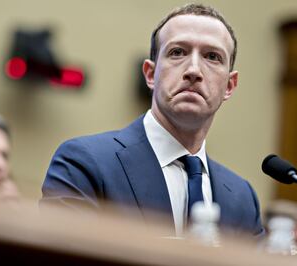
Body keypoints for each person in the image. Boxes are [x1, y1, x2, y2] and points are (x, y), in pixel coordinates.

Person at [42, 3, 263, 237]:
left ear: (229, 86)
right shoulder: (84, 163)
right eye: (178, 52)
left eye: (212, 56)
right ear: (150, 74)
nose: (194, 70)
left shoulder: (243, 199)